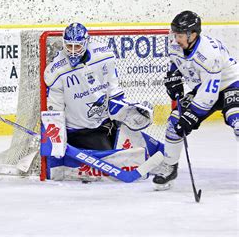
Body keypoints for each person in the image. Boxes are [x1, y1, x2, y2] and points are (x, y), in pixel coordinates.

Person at [153, 11, 239, 190]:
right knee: (174, 122)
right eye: (174, 33)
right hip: (205, 87)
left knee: (237, 119)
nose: (175, 38)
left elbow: (210, 94)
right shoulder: (176, 44)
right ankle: (169, 166)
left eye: (180, 35)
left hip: (231, 83)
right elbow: (176, 63)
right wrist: (173, 76)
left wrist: (191, 116)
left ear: (193, 34)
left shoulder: (209, 54)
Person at [43, 22, 153, 151]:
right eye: (69, 46)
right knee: (111, 159)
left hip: (106, 124)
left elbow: (113, 89)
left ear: (86, 42)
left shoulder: (103, 55)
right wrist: (57, 142)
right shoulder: (56, 70)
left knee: (141, 149)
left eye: (77, 46)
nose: (72, 51)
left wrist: (126, 110)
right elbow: (55, 109)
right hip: (79, 131)